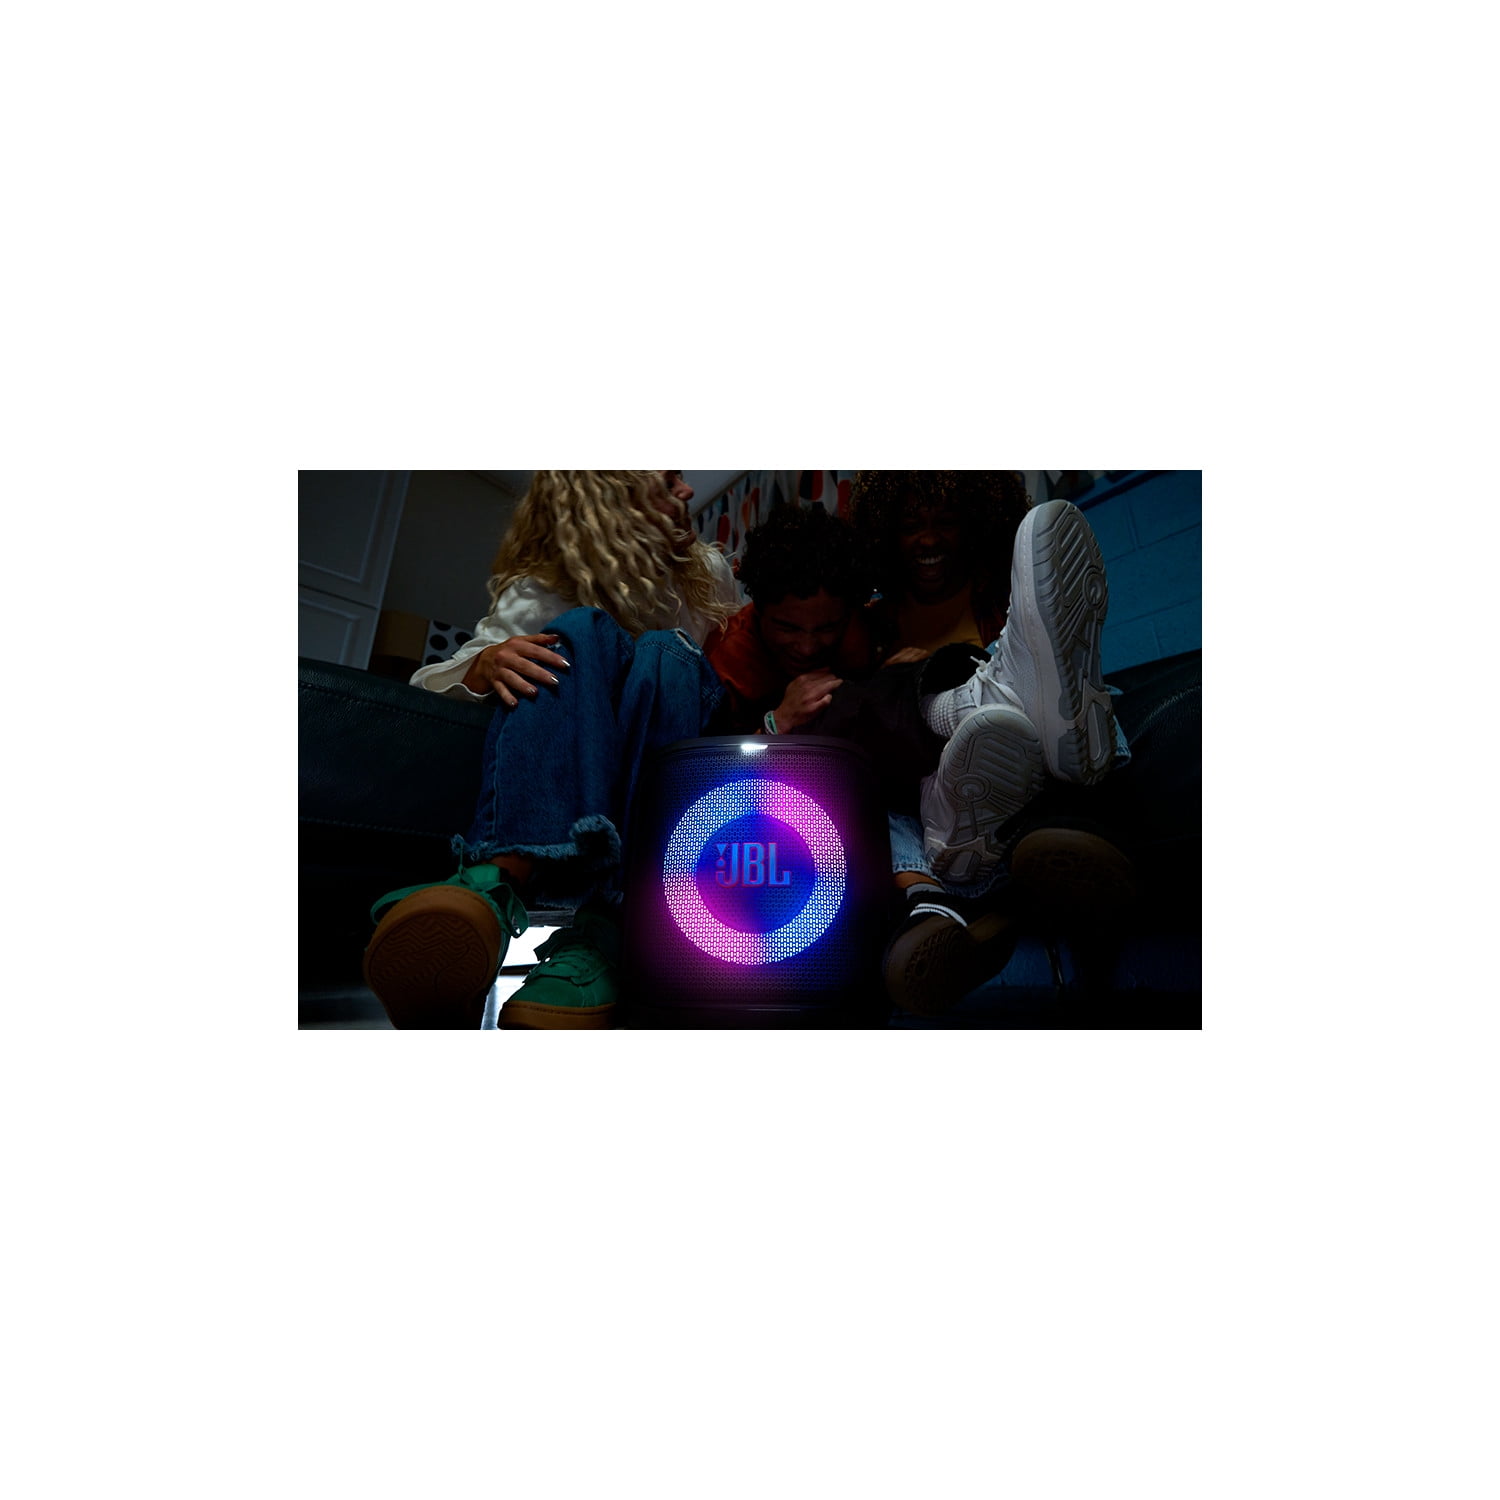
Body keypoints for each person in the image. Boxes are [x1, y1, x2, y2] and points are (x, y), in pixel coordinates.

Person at [363, 470, 740, 1030]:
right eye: (667, 483)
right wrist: (484, 664)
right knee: (578, 631)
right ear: (613, 503)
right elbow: (432, 682)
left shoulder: (706, 572)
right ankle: (491, 890)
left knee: (664, 651)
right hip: (580, 746)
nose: (687, 492)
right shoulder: (543, 586)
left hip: (674, 736)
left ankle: (607, 928)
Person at [845, 472, 1132, 1015]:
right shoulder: (870, 625)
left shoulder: (1004, 595)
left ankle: (1061, 810)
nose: (929, 538)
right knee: (876, 772)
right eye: (911, 525)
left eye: (946, 521)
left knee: (1085, 702)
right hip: (935, 788)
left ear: (975, 524)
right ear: (885, 534)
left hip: (1025, 782)